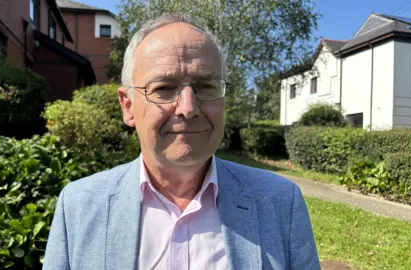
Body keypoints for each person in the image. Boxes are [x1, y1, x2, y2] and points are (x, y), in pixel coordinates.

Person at [43, 13, 320, 270]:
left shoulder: (281, 202)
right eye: (163, 88)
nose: (188, 108)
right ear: (128, 106)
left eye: (206, 87)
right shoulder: (79, 205)